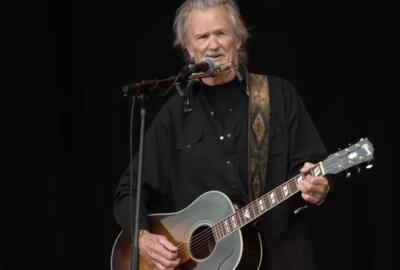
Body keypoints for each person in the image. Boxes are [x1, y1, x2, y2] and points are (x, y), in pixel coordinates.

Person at [114, 0, 332, 269]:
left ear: (239, 41)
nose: (213, 45)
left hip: (280, 257)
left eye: (221, 33)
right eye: (203, 37)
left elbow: (314, 169)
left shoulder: (277, 95)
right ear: (189, 50)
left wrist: (319, 187)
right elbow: (129, 191)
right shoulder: (174, 115)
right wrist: (143, 237)